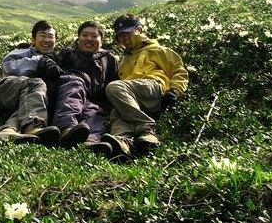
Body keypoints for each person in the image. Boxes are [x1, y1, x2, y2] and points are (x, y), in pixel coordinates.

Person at [102, 14, 188, 158]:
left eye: (128, 33)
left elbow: (179, 71)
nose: (125, 39)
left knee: (114, 87)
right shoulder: (124, 60)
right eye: (121, 36)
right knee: (117, 111)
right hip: (136, 96)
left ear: (139, 29)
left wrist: (175, 91)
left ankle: (146, 127)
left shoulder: (157, 49)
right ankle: (123, 142)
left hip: (154, 87)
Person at [38, 21, 119, 155]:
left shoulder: (109, 59)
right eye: (84, 35)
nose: (89, 39)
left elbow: (113, 82)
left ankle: (92, 141)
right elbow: (46, 59)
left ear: (102, 40)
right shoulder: (68, 53)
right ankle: (66, 128)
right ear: (79, 37)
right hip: (65, 90)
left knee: (95, 111)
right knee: (75, 83)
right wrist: (51, 67)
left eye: (94, 36)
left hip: (89, 98)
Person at [0, 21, 61, 145]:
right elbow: (8, 67)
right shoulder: (21, 52)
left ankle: (8, 130)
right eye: (42, 35)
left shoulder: (57, 59)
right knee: (36, 83)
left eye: (50, 36)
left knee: (31, 99)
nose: (46, 40)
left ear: (55, 41)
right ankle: (33, 126)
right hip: (7, 92)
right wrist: (40, 61)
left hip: (25, 99)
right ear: (33, 39)